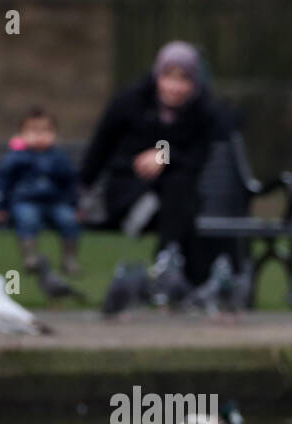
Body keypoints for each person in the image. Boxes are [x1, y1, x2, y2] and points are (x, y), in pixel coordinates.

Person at [79, 40, 226, 285]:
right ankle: (175, 275)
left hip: (174, 195)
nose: (175, 87)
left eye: (184, 80)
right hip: (129, 187)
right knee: (184, 211)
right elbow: (100, 148)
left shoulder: (202, 113)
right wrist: (81, 193)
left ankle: (171, 274)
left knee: (179, 189)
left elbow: (197, 159)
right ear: (158, 75)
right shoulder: (129, 102)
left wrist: (164, 154)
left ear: (195, 82)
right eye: (170, 77)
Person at [0, 107, 82, 275]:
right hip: (26, 201)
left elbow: (70, 183)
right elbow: (1, 182)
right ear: (21, 134)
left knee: (69, 219)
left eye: (45, 131)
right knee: (27, 218)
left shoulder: (59, 158)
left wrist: (76, 205)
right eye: (33, 131)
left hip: (55, 202)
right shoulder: (16, 157)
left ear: (55, 134)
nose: (39, 136)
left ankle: (69, 260)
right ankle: (30, 258)